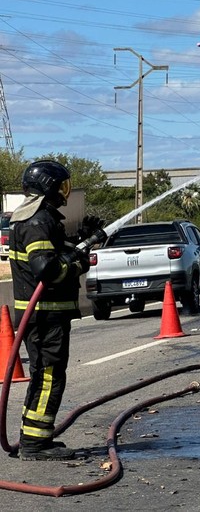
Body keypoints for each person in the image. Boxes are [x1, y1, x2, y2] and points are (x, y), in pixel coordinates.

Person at [9, 160, 97, 461]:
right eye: (61, 185)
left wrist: (80, 241)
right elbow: (46, 269)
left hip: (42, 316)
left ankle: (35, 436)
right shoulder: (38, 221)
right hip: (45, 316)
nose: (64, 192)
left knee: (43, 376)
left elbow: (51, 253)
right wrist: (80, 263)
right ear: (48, 186)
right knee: (48, 378)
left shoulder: (32, 219)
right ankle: (34, 444)